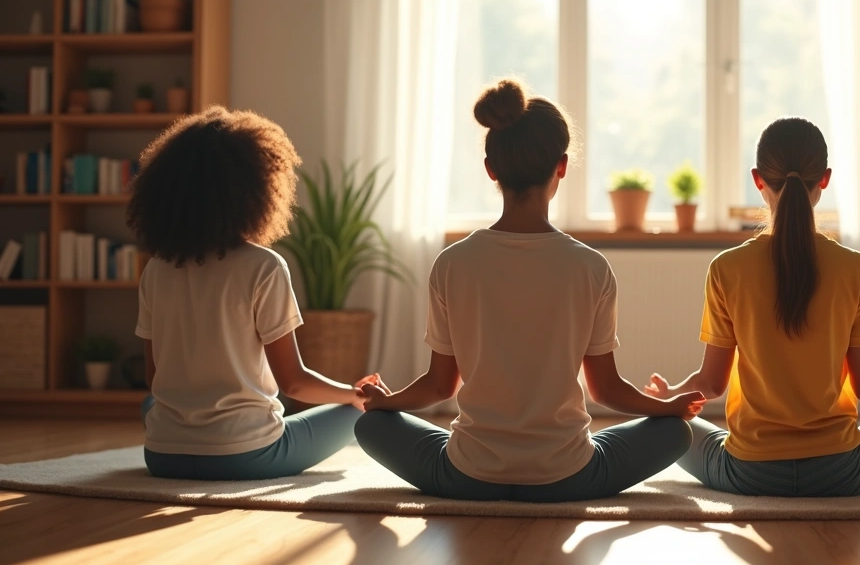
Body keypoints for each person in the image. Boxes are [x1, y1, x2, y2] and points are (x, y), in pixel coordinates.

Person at [353, 79, 704, 502]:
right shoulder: (590, 267)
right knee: (675, 432)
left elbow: (438, 386)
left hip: (468, 474)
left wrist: (385, 402)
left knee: (370, 425)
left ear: (491, 168)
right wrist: (669, 408)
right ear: (561, 166)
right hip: (568, 477)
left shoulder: (453, 263)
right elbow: (606, 391)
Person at [646, 117, 860, 497]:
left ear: (758, 179)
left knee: (665, 424)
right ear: (824, 179)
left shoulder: (727, 268)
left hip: (749, 473)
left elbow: (711, 384)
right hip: (842, 473)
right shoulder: (856, 268)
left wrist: (668, 395)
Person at [127, 106, 382, 481]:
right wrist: (354, 393)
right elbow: (294, 383)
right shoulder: (264, 266)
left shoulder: (156, 268)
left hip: (164, 456)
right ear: (256, 190)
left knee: (152, 403)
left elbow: (154, 378)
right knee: (354, 411)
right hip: (246, 455)